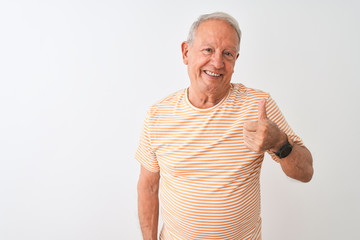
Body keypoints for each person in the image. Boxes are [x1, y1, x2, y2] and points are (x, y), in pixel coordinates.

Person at [136, 12, 313, 240]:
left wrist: (280, 143)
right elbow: (148, 187)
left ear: (235, 60)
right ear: (186, 53)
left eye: (227, 54)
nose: (217, 63)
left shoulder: (257, 106)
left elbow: (306, 172)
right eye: (208, 50)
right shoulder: (157, 115)